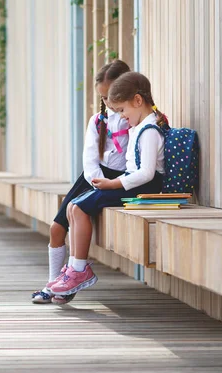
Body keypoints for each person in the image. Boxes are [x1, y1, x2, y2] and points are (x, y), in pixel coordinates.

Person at [50, 71, 167, 298]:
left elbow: (146, 173)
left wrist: (113, 184)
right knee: (74, 205)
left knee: (81, 207)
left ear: (138, 101)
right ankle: (74, 267)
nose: (121, 116)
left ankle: (79, 269)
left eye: (122, 110)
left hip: (144, 187)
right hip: (131, 183)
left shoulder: (150, 130)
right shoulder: (138, 127)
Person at [32, 60, 131, 305]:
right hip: (93, 177)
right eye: (104, 97)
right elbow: (89, 159)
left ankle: (70, 280)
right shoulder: (97, 120)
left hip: (120, 179)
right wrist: (98, 181)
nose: (108, 102)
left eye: (111, 96)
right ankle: (54, 284)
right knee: (56, 228)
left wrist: (114, 183)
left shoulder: (133, 119)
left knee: (79, 211)